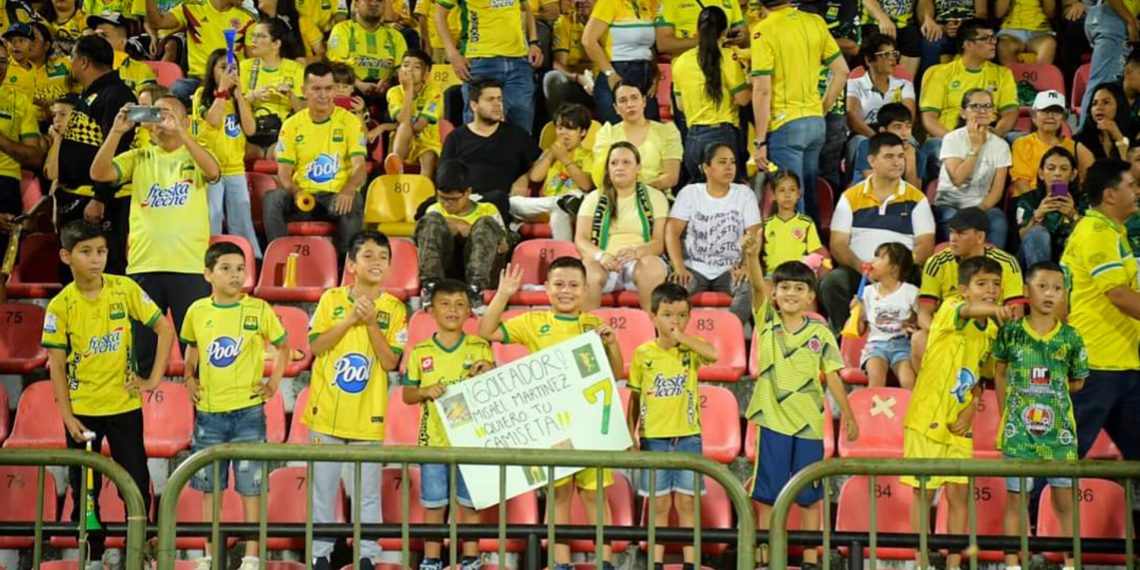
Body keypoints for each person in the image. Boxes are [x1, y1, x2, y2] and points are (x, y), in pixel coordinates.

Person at [42, 220, 173, 570]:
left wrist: (152, 378)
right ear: (66, 256)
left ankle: (139, 553)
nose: (96, 259)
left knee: (136, 483)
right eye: (86, 252)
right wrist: (68, 417)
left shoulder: (125, 289)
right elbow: (56, 366)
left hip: (124, 407)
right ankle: (93, 557)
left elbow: (164, 328)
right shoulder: (59, 306)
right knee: (86, 492)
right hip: (82, 412)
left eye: (100, 251)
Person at [480, 258, 622, 570]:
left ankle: (606, 561)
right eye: (558, 284)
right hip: (552, 427)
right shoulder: (533, 322)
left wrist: (611, 345)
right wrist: (504, 294)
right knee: (559, 496)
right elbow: (485, 330)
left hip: (589, 426)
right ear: (546, 288)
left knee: (595, 495)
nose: (566, 291)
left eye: (573, 285)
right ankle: (561, 563)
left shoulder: (593, 327)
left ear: (586, 290)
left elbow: (614, 373)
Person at [740, 233, 859, 570]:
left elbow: (833, 376)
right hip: (773, 421)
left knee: (809, 496)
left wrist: (848, 415)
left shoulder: (820, 333)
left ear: (811, 296)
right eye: (785, 287)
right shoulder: (766, 320)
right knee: (765, 496)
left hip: (809, 424)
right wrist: (752, 257)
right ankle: (764, 558)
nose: (791, 293)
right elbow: (755, 285)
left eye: (799, 288)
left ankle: (810, 561)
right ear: (775, 294)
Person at [89, 94, 220, 379]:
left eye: (168, 114)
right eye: (156, 115)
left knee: (197, 354)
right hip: (144, 267)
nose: (162, 120)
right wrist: (116, 131)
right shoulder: (139, 156)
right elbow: (98, 172)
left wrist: (183, 133)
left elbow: (213, 172)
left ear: (185, 121)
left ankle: (200, 420)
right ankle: (147, 416)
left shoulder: (197, 152)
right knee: (143, 354)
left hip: (190, 267)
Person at [181, 241, 289, 570]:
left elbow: (283, 347)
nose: (235, 274)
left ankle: (252, 557)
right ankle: (211, 555)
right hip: (209, 415)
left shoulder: (258, 310)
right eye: (226, 268)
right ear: (208, 274)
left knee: (251, 489)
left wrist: (272, 384)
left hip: (249, 414)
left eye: (240, 268)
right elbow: (192, 347)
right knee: (210, 490)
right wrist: (188, 376)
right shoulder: (197, 311)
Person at [305, 230, 408, 570]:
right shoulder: (331, 300)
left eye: (383, 256)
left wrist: (371, 325)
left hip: (369, 414)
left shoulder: (394, 308)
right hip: (327, 412)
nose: (376, 262)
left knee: (368, 493)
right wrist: (351, 318)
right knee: (323, 489)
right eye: (368, 255)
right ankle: (320, 554)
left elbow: (391, 362)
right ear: (351, 264)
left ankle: (366, 555)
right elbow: (316, 347)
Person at [902, 256, 1008, 570]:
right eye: (982, 284)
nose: (991, 290)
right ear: (963, 290)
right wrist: (1000, 312)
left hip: (959, 425)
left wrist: (970, 414)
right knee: (923, 493)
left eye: (996, 284)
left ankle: (953, 563)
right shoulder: (950, 309)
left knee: (959, 495)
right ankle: (921, 561)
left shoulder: (990, 330)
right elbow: (970, 310)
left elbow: (978, 377)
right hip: (925, 419)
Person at [992, 261, 1086, 570]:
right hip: (1018, 433)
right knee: (1016, 500)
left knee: (1064, 502)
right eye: (1042, 286)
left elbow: (1078, 380)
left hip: (1059, 434)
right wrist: (1008, 411)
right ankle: (1012, 565)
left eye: (1057, 288)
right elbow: (1000, 372)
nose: (1050, 294)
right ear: (1025, 291)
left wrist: (1050, 396)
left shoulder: (1071, 338)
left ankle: (1073, 564)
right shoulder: (1011, 333)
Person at [402, 279, 493, 570]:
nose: (452, 310)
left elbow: (493, 390)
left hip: (471, 441)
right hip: (434, 442)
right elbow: (406, 394)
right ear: (431, 310)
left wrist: (488, 374)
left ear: (469, 311)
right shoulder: (420, 351)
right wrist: (424, 392)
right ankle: (432, 560)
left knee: (469, 505)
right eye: (445, 303)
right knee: (434, 504)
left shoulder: (480, 347)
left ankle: (470, 559)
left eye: (459, 304)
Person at [627, 282, 719, 570]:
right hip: (654, 438)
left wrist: (682, 337)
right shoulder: (643, 354)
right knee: (660, 505)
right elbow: (635, 396)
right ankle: (655, 562)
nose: (674, 321)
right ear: (653, 317)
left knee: (686, 504)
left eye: (681, 315)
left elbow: (713, 354)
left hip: (688, 438)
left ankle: (691, 563)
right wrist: (631, 431)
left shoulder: (691, 351)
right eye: (667, 315)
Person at [1059, 158, 1140, 460]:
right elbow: (1118, 294)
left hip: (1124, 363)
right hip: (1096, 363)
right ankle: (1030, 507)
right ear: (1109, 195)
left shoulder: (1112, 232)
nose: (1136, 191)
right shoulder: (1096, 232)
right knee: (1065, 456)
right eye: (1130, 185)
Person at [821, 132, 935, 332]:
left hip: (901, 273)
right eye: (889, 157)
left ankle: (908, 336)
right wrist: (863, 267)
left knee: (924, 280)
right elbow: (838, 244)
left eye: (900, 156)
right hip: (861, 271)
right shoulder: (850, 197)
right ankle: (846, 337)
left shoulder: (917, 198)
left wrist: (896, 269)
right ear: (872, 160)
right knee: (833, 282)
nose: (898, 162)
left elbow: (925, 245)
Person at [750, 0, 849, 220]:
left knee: (791, 200)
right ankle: (815, 250)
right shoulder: (815, 22)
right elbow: (842, 71)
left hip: (785, 124)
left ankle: (799, 250)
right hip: (815, 123)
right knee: (808, 193)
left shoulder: (763, 30)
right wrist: (821, 108)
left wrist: (760, 141)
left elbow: (762, 89)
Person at [263, 62, 368, 259]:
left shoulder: (350, 122)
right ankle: (278, 258)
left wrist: (348, 188)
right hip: (302, 197)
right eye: (316, 89)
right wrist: (296, 192)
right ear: (304, 91)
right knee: (272, 198)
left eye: (328, 88)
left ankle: (346, 265)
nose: (324, 95)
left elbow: (359, 167)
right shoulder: (292, 125)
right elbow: (284, 172)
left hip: (336, 198)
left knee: (353, 201)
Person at [56, 35, 136, 278]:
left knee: (103, 274)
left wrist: (100, 198)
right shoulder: (91, 94)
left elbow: (119, 149)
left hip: (101, 202)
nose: (70, 64)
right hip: (77, 197)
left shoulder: (116, 96)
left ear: (83, 62)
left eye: (72, 58)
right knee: (75, 277)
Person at [914, 207, 1024, 371]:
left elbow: (1016, 314)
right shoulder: (936, 263)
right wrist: (939, 332)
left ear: (980, 237)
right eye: (951, 232)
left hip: (990, 333)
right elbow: (924, 313)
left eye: (961, 233)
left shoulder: (1007, 263)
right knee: (919, 338)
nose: (953, 239)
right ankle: (929, 392)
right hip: (950, 333)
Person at [666, 142, 761, 325]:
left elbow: (754, 234)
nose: (729, 167)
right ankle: (679, 338)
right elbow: (671, 231)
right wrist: (679, 267)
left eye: (732, 162)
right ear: (705, 167)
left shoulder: (744, 194)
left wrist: (745, 266)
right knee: (673, 292)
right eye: (722, 162)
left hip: (730, 268)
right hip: (694, 267)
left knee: (748, 288)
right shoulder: (690, 193)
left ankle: (729, 332)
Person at [576, 141, 669, 311]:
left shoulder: (656, 197)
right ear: (608, 169)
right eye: (614, 163)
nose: (619, 167)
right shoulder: (593, 198)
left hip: (639, 260)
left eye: (626, 162)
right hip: (604, 262)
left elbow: (658, 242)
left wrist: (636, 252)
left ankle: (653, 330)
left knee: (653, 268)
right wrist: (601, 256)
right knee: (587, 270)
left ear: (638, 167)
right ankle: (587, 332)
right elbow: (581, 239)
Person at [919, 19, 1018, 178]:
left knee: (1019, 141)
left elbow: (1010, 112)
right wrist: (954, 140)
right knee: (933, 147)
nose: (993, 43)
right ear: (968, 45)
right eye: (986, 39)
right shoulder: (940, 73)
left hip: (989, 134)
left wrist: (997, 133)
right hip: (949, 135)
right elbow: (929, 118)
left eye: (993, 38)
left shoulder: (1003, 74)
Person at [439, 78, 541, 227]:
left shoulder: (517, 135)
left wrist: (525, 178)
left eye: (499, 99)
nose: (497, 104)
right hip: (466, 200)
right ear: (474, 105)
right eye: (490, 99)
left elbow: (540, 161)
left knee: (497, 198)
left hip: (501, 201)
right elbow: (444, 176)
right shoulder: (456, 137)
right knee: (425, 207)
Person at [435, 0, 544, 134]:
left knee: (521, 133)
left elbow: (527, 8)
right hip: (480, 62)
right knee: (477, 133)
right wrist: (452, 54)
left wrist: (533, 42)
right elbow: (439, 14)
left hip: (519, 63)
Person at [194, 49, 262, 258]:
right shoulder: (201, 96)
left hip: (235, 168)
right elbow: (213, 119)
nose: (228, 73)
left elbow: (250, 130)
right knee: (212, 219)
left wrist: (240, 97)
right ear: (211, 70)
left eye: (233, 69)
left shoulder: (239, 99)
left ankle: (250, 262)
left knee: (242, 220)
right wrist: (222, 91)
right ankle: (208, 261)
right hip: (210, 171)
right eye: (223, 68)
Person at [671, 6, 750, 180]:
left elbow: (680, 105)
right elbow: (743, 99)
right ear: (724, 32)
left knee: (703, 200)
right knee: (727, 199)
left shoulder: (681, 62)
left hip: (693, 140)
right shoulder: (728, 57)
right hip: (723, 137)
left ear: (697, 30)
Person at [415, 161, 507, 301]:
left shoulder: (488, 209)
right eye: (442, 198)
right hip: (448, 267)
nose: (446, 204)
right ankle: (431, 285)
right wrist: (462, 228)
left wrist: (470, 231)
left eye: (453, 199)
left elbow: (503, 246)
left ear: (468, 192)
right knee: (431, 220)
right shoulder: (435, 209)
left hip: (484, 271)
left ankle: (476, 289)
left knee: (485, 224)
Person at [933, 88, 1012, 248]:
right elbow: (958, 179)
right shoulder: (952, 139)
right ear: (963, 112)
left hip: (981, 206)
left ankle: (994, 266)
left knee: (998, 219)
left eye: (987, 106)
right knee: (953, 219)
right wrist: (975, 149)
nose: (982, 111)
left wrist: (977, 212)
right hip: (949, 204)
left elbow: (996, 192)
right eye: (975, 106)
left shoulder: (1001, 146)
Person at [514, 102, 596, 241]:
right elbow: (535, 177)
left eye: (569, 128)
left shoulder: (590, 155)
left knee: (565, 208)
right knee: (513, 203)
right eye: (559, 128)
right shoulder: (549, 153)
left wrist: (564, 158)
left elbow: (587, 185)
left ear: (582, 132)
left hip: (573, 212)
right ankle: (559, 202)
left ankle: (564, 255)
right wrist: (552, 153)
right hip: (545, 207)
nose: (563, 133)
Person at [144, 0, 256, 101]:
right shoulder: (190, 9)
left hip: (230, 82)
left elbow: (253, 60)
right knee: (177, 90)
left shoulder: (248, 19)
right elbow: (157, 23)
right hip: (197, 81)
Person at [592, 82, 682, 194]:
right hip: (616, 196)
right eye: (623, 100)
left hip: (655, 195)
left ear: (644, 101)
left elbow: (671, 177)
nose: (630, 104)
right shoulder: (607, 133)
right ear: (616, 108)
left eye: (634, 98)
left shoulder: (666, 132)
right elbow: (602, 175)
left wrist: (639, 192)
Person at [582, 0, 659, 124]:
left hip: (645, 75)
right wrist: (610, 73)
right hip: (618, 72)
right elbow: (588, 40)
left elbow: (649, 46)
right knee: (620, 136)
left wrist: (655, 74)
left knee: (652, 134)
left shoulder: (647, 3)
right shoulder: (608, 3)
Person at [854, 242, 918, 389]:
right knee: (876, 380)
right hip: (876, 346)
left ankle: (908, 412)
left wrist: (912, 323)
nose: (872, 262)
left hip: (903, 345)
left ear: (893, 268)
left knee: (908, 381)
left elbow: (920, 318)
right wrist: (856, 313)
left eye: (878, 258)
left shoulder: (911, 292)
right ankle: (872, 411)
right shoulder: (867, 292)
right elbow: (859, 330)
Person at [240, 17, 306, 157]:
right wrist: (253, 96)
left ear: (276, 44)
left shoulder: (296, 69)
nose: (254, 41)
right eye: (254, 36)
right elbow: (234, 105)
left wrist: (291, 96)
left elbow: (303, 112)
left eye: (261, 36)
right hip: (250, 133)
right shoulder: (245, 67)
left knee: (279, 153)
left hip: (282, 133)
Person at [1009, 90, 1093, 198]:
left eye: (1056, 112)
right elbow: (1021, 182)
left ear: (1063, 118)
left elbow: (1087, 181)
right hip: (1030, 201)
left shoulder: (1075, 147)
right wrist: (1039, 208)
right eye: (1044, 111)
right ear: (1034, 117)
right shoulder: (1022, 144)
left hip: (1065, 200)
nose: (1050, 116)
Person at [327, 0, 407, 105]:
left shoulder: (396, 36)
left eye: (379, 1)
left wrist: (390, 81)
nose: (374, 3)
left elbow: (401, 69)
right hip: (351, 89)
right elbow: (335, 66)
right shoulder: (342, 30)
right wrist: (359, 84)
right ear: (356, 4)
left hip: (387, 94)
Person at [1015, 147, 1084, 267]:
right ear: (1041, 174)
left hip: (1071, 259)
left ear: (1073, 174)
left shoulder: (1084, 200)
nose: (1057, 173)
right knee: (1037, 233)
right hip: (1030, 261)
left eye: (1064, 169)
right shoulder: (1027, 200)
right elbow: (1023, 237)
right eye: (1051, 168)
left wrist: (1073, 216)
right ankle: (1042, 281)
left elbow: (1092, 235)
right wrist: (1037, 217)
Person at [383, 48, 442, 180]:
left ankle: (424, 193)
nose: (409, 70)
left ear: (426, 74)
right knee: (404, 126)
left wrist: (408, 88)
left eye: (416, 67)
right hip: (402, 142)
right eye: (405, 65)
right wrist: (409, 90)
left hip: (427, 141)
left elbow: (418, 127)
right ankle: (396, 165)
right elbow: (403, 120)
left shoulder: (434, 92)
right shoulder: (393, 92)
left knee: (429, 156)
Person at [1075, 0, 1135, 128]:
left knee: (1108, 84)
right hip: (1113, 20)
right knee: (1102, 84)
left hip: (1107, 18)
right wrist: (1130, 21)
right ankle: (1085, 138)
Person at [0, 41, 42, 218]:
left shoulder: (19, 100)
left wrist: (3, 141)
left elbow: (35, 156)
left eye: (3, 61)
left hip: (4, 180)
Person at [760, 171, 827, 275]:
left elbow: (815, 252)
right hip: (773, 276)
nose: (787, 195)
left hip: (799, 275)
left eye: (792, 190)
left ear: (798, 193)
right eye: (782, 190)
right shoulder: (765, 225)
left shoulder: (807, 223)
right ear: (773, 195)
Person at [849, 103, 924, 188]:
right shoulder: (868, 145)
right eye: (898, 127)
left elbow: (915, 193)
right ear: (883, 130)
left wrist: (911, 159)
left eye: (908, 127)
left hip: (899, 198)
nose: (905, 133)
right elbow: (874, 184)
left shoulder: (918, 154)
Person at [3, 22, 71, 114]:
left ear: (46, 45)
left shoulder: (65, 64)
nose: (18, 45)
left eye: (33, 40)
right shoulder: (4, 68)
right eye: (12, 40)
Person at [543, 0, 596, 114]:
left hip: (602, 79)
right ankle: (559, 125)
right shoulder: (565, 22)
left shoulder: (609, 22)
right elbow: (559, 63)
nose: (581, 1)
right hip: (575, 81)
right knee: (552, 77)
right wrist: (579, 78)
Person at [86, 13, 158, 95]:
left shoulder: (141, 70)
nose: (97, 40)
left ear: (122, 42)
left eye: (104, 36)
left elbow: (148, 103)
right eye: (95, 36)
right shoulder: (84, 66)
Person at [1074, 83, 1136, 161]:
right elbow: (1089, 172)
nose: (1099, 107)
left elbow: (1134, 169)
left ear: (1120, 105)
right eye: (1094, 104)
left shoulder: (1135, 132)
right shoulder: (1085, 138)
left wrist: (1118, 136)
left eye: (1106, 102)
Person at [861, 0, 921, 77]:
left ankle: (903, 86)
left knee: (913, 38)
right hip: (874, 21)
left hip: (905, 23)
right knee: (880, 42)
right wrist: (883, 19)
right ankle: (877, 85)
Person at [995, 0, 1056, 65]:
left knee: (1049, 43)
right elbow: (998, 13)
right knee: (1004, 46)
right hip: (1011, 30)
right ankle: (1013, 74)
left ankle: (1040, 74)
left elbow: (1051, 14)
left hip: (1040, 31)